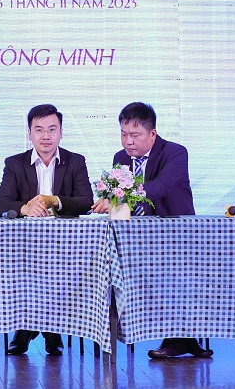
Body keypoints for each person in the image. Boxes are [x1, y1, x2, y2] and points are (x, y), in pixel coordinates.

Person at [91, 102, 212, 359]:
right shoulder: (121, 158)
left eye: (135, 135)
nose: (128, 141)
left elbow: (160, 187)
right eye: (124, 134)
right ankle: (129, 333)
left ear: (152, 133)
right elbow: (121, 204)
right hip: (138, 238)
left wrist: (119, 196)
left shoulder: (175, 152)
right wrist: (111, 201)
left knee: (178, 284)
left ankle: (182, 339)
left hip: (177, 233)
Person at [0, 104, 93, 356]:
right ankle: (24, 328)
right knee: (20, 269)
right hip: (24, 245)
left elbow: (85, 201)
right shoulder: (15, 163)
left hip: (65, 247)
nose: (46, 136)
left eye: (52, 129)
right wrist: (25, 208)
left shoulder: (75, 161)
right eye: (39, 130)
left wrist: (55, 201)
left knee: (58, 270)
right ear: (29, 133)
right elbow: (1, 203)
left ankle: (52, 329)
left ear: (61, 133)